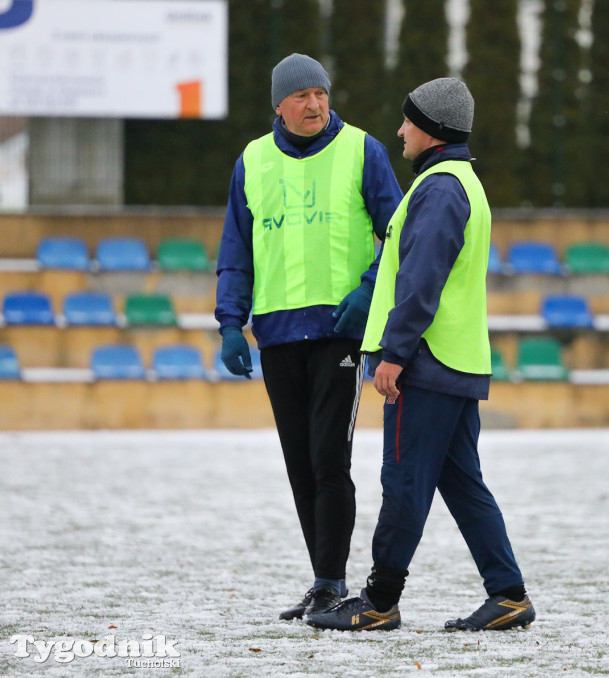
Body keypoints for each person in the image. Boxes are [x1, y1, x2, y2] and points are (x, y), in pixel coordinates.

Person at [305, 77, 535, 632]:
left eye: (408, 121)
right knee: (462, 483)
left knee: (404, 481)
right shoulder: (461, 181)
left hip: (427, 363)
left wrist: (394, 353)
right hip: (456, 360)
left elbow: (420, 281)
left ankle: (379, 602)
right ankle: (508, 594)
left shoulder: (438, 189)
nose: (400, 130)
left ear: (430, 129)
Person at [215, 53, 403, 620]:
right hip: (276, 336)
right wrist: (230, 322)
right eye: (302, 96)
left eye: (321, 93)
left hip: (338, 336)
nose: (315, 105)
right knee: (300, 461)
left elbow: (396, 234)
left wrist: (368, 294)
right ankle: (322, 582)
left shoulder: (363, 150)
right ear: (279, 103)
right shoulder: (252, 160)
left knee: (328, 458)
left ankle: (331, 580)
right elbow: (236, 249)